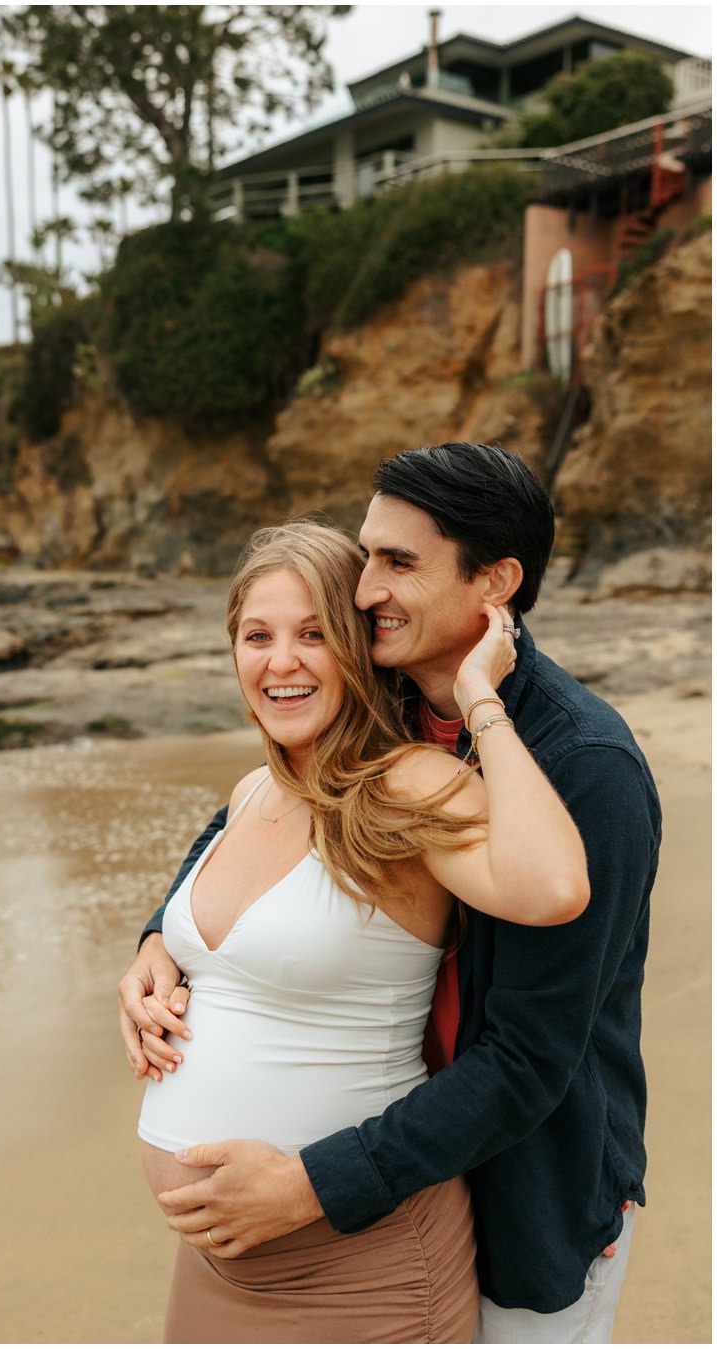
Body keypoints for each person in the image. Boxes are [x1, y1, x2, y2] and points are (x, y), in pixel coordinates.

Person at [124, 443, 659, 1342]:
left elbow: (529, 1058)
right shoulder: (384, 704)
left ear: (495, 582)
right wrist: (156, 942)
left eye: (399, 562)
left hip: (517, 1190)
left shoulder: (585, 769)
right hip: (346, 1189)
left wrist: (308, 1183)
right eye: (368, 555)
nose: (366, 589)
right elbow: (248, 821)